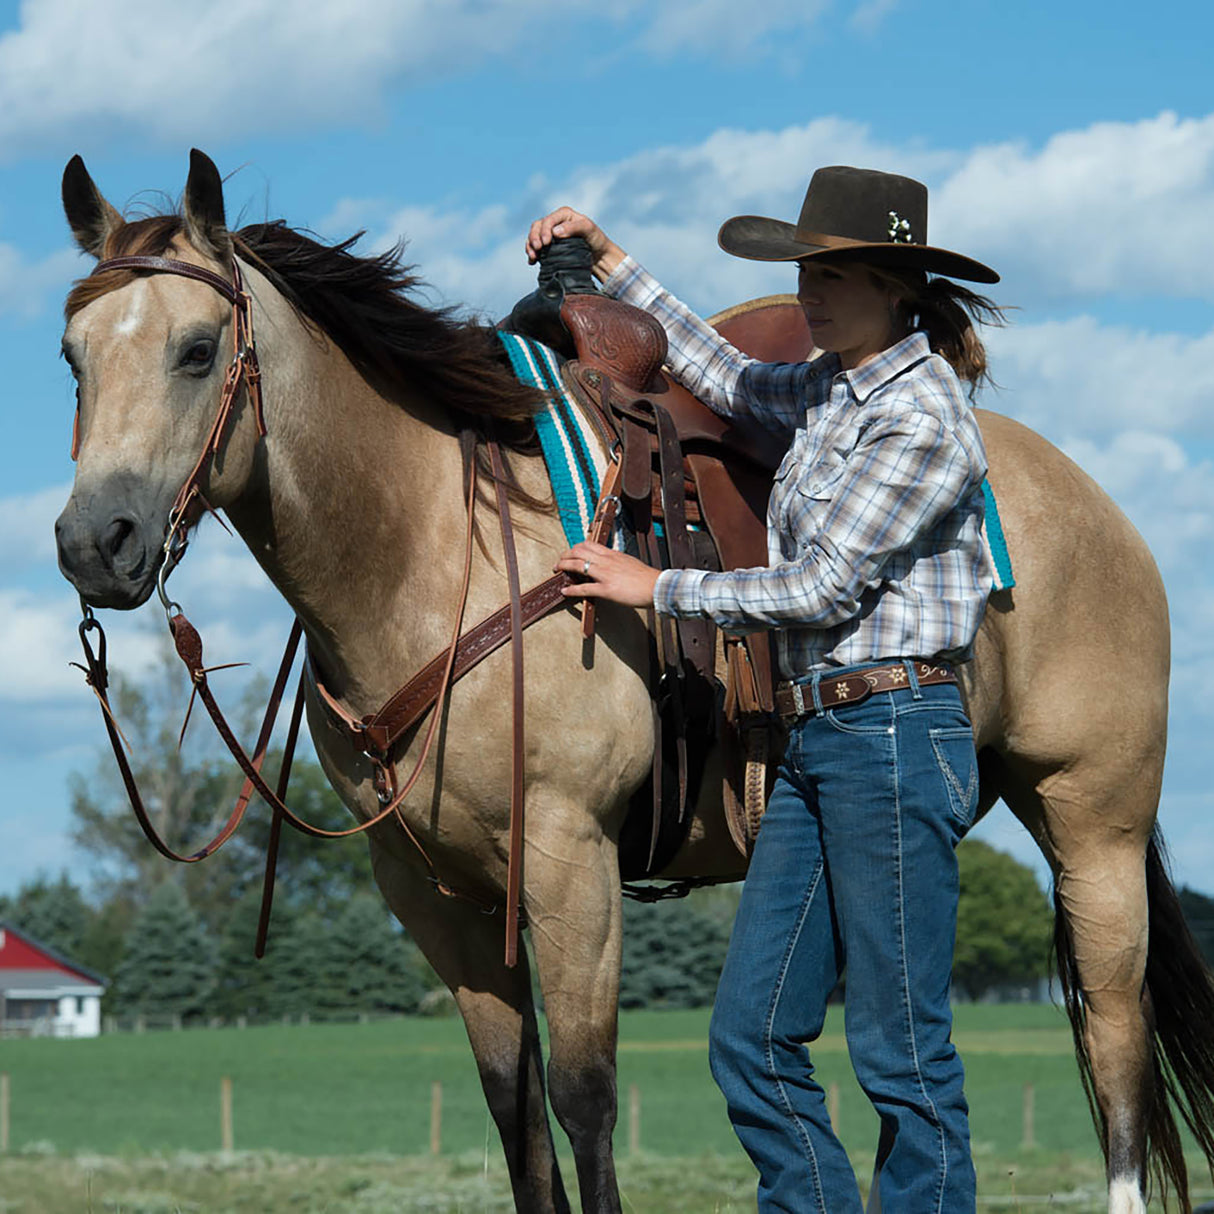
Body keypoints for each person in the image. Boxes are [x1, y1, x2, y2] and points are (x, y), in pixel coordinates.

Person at [527, 165, 1005, 1213]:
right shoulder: (832, 389)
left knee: (899, 1048)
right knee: (749, 1035)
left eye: (831, 274)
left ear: (896, 284)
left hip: (890, 727)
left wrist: (654, 586)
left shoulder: (918, 414)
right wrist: (611, 262)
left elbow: (824, 582)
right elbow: (732, 377)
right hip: (816, 741)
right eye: (803, 271)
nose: (808, 292)